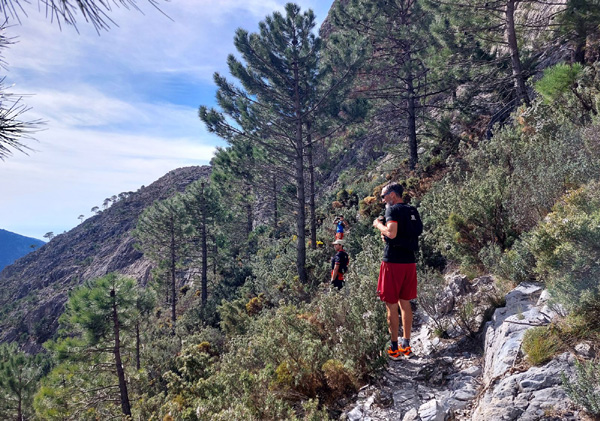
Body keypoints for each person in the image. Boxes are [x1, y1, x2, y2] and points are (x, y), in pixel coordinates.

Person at [372, 182, 418, 360]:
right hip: (409, 262)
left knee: (391, 304)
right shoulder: (412, 210)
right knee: (405, 303)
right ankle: (406, 345)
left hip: (393, 262)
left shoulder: (392, 210)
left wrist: (378, 225)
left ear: (392, 195)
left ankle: (393, 348)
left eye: (383, 196)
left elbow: (391, 233)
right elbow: (414, 232)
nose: (383, 200)